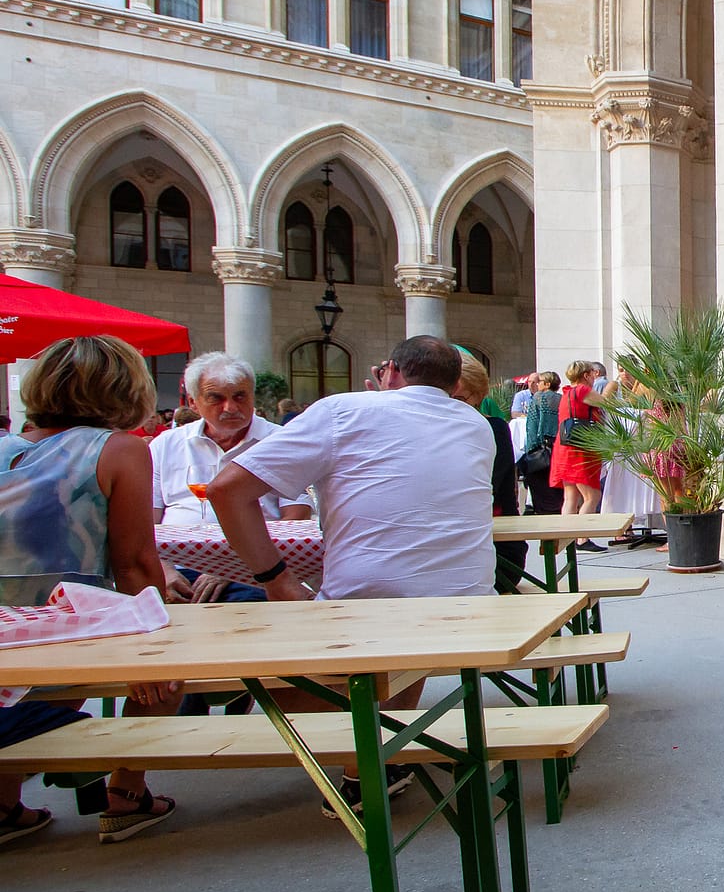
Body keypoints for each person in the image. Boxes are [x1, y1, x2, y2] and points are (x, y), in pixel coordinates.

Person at [210, 335, 495, 816]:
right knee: (405, 608)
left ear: (392, 372)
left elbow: (225, 491)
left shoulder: (342, 411)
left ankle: (358, 760)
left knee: (249, 661)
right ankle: (372, 765)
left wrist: (276, 579)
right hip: (469, 613)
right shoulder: (476, 424)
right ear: (453, 387)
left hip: (371, 616)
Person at [0, 335, 183, 845]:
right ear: (126, 388)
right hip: (67, 621)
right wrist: (158, 652)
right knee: (166, 675)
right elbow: (135, 564)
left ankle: (5, 805)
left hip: (10, 627)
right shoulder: (119, 449)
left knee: (47, 673)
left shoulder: (5, 446)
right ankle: (126, 793)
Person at [151, 352, 311, 528]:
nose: (231, 408)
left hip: (260, 542)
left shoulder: (281, 441)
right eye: (216, 398)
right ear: (193, 403)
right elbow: (148, 516)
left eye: (240, 396)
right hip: (179, 544)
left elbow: (297, 514)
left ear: (252, 397)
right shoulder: (165, 445)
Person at [452, 351, 525, 594]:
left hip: (493, 548)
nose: (450, 406)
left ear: (477, 396)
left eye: (458, 399)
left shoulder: (493, 428)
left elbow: (483, 490)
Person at [548, 360, 604, 540]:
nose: (595, 377)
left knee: (570, 497)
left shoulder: (567, 392)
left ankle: (568, 538)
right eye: (593, 373)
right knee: (592, 496)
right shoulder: (583, 391)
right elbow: (607, 403)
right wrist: (612, 386)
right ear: (586, 375)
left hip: (564, 447)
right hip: (580, 449)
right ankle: (582, 538)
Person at [520, 371, 563, 515]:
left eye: (540, 381)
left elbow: (532, 427)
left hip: (542, 451)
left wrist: (530, 450)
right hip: (559, 449)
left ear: (547, 384)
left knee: (542, 495)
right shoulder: (562, 399)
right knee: (558, 496)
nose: (537, 384)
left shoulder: (538, 398)